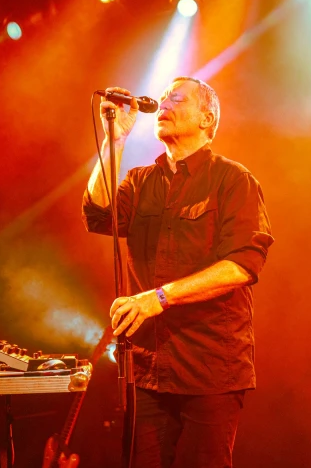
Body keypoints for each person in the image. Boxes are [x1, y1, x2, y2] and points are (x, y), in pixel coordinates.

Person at [82, 77, 274, 468]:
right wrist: (114, 141)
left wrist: (160, 297)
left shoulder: (233, 179)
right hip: (149, 370)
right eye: (163, 97)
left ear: (207, 118)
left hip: (211, 370)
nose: (165, 104)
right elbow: (99, 215)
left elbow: (242, 265)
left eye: (177, 98)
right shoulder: (139, 181)